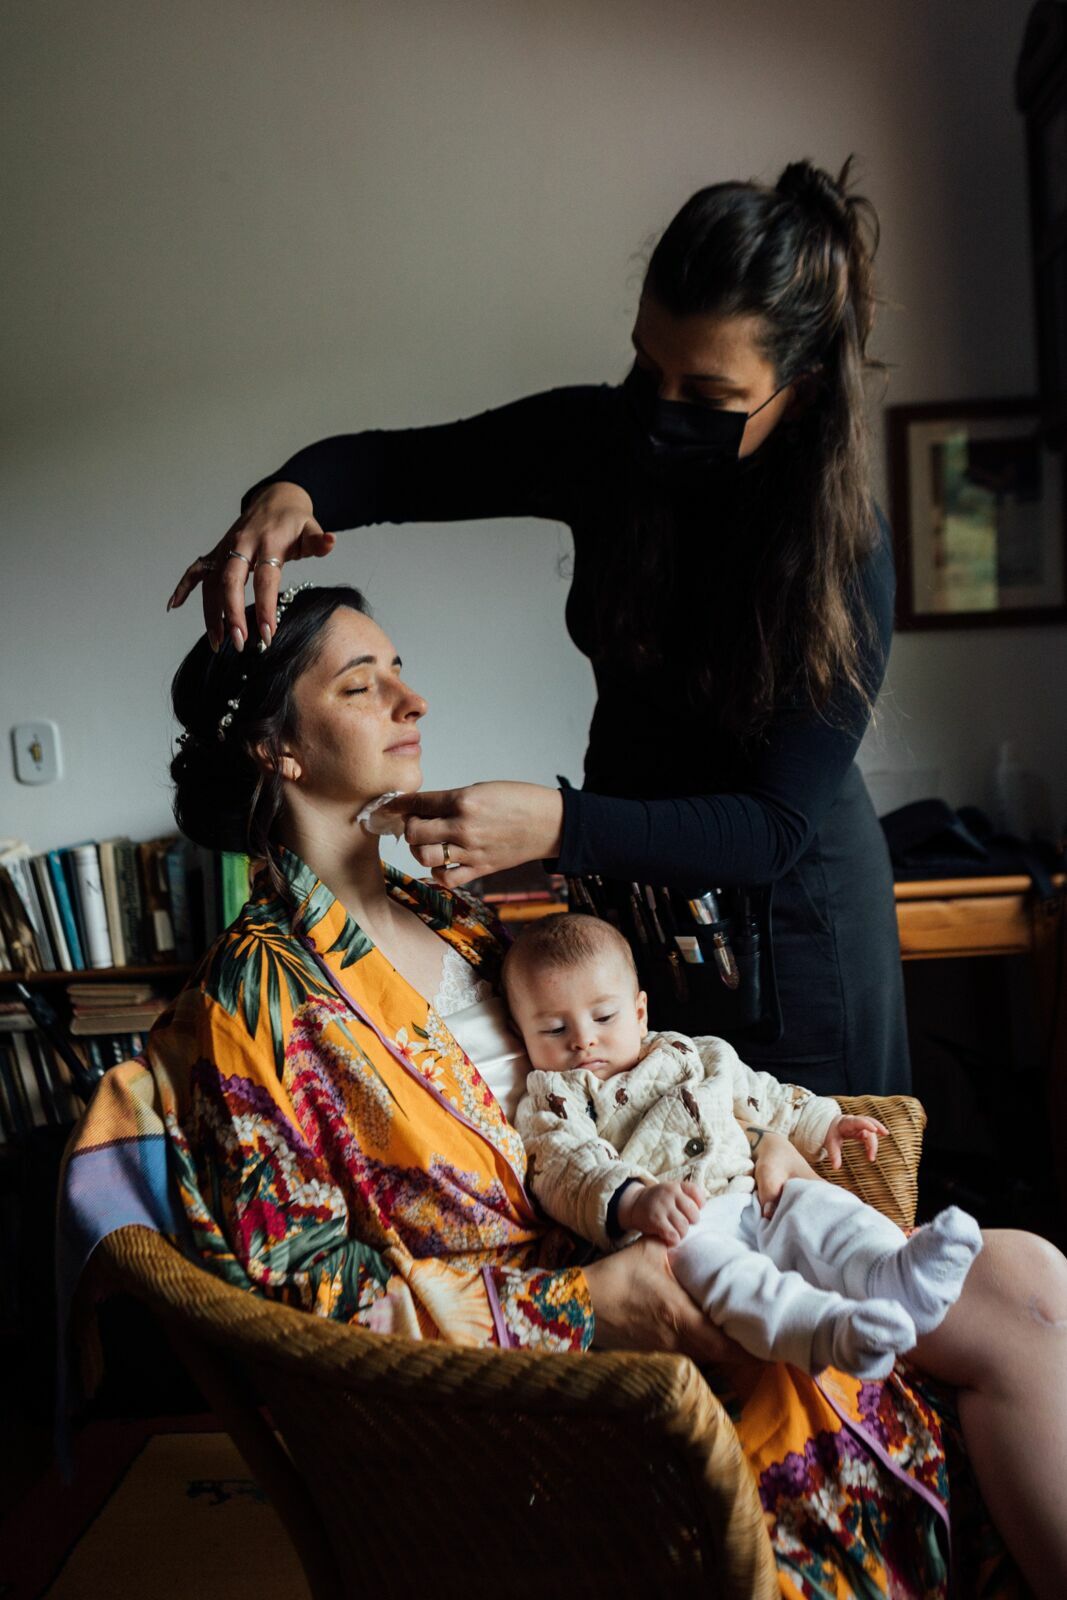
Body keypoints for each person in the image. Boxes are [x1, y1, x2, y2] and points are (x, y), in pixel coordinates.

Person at [61, 583, 1067, 1596]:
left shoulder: (458, 917)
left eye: (400, 671)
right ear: (278, 748)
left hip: (689, 1228)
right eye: (363, 685)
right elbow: (304, 1303)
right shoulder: (254, 1004)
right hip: (565, 1379)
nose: (412, 703)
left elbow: (632, 1062)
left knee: (1026, 1275)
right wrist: (582, 1303)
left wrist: (755, 1130)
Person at [167, 157, 909, 1099]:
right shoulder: (603, 443)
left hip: (789, 932)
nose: (657, 415)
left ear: (797, 391)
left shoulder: (843, 552)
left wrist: (556, 824)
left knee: (813, 1209)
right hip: (630, 918)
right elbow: (397, 469)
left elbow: (770, 828)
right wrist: (289, 493)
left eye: (710, 397)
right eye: (647, 366)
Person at [505, 913, 982, 1380]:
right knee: (726, 1278)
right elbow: (565, 1165)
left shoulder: (693, 1053)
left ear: (639, 1012)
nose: (584, 1041)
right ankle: (824, 1330)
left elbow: (763, 1094)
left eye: (603, 1016)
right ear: (523, 1036)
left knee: (822, 1206)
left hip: (756, 1195)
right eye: (553, 1030)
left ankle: (892, 1274)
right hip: (680, 1228)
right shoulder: (554, 1097)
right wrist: (633, 1200)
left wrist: (824, 1122)